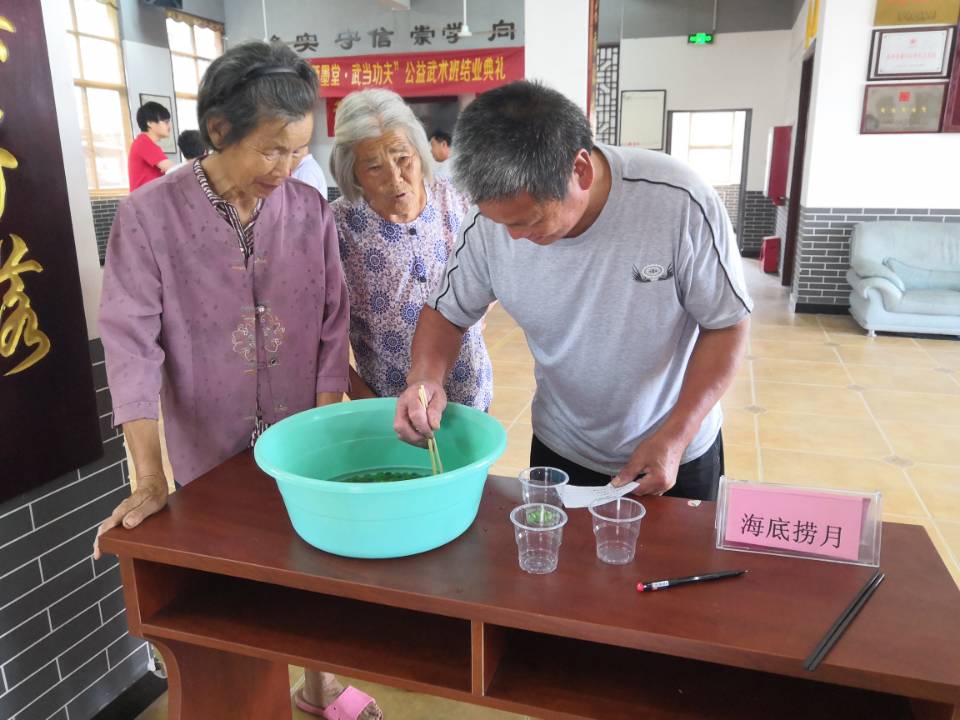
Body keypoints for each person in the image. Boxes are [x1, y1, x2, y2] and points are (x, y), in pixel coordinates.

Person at [95, 41, 381, 720]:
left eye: (298, 150)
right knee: (233, 588)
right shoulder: (149, 217)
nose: (287, 167)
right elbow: (131, 346)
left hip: (298, 432)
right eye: (272, 150)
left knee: (312, 563)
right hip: (207, 439)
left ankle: (319, 684)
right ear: (219, 130)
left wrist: (323, 431)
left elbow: (332, 325)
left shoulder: (308, 210)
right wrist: (149, 476)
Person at [393, 81, 752, 501]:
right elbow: (446, 315)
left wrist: (676, 435)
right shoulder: (487, 226)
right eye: (501, 222)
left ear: (580, 170)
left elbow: (727, 325)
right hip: (562, 447)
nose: (513, 237)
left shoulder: (679, 203)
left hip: (675, 447)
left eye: (528, 221)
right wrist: (425, 379)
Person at [329, 89, 492, 409]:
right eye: (374, 167)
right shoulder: (337, 228)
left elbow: (495, 267)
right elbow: (322, 336)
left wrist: (481, 310)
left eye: (403, 159)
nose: (395, 179)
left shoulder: (457, 199)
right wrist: (365, 400)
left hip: (469, 394)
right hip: (390, 406)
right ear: (353, 173)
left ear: (420, 152)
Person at [128, 101, 175, 191]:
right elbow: (174, 169)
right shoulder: (144, 142)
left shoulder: (144, 142)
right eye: (166, 122)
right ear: (149, 122)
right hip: (144, 198)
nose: (169, 126)